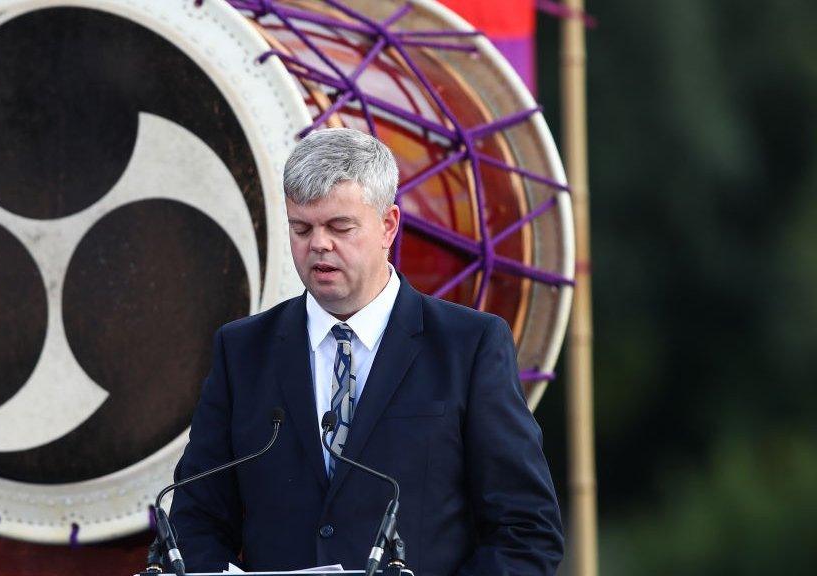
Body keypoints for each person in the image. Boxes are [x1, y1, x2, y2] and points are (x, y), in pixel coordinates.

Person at [169, 128, 564, 576]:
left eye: (340, 227)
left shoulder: (468, 346)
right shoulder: (242, 352)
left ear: (388, 225)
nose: (319, 244)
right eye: (301, 228)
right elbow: (194, 522)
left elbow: (526, 530)